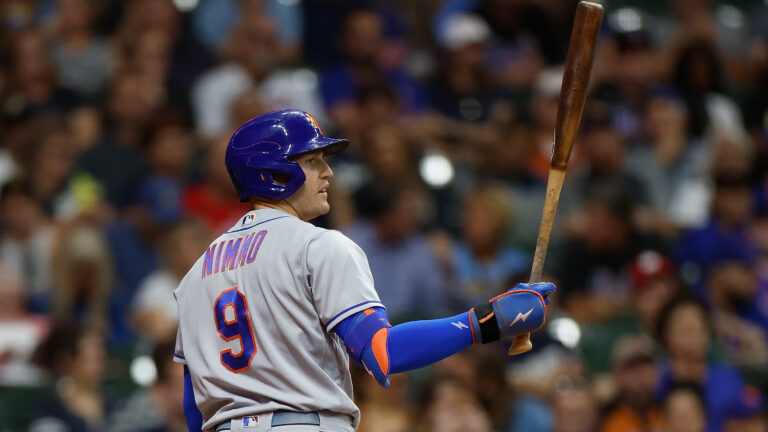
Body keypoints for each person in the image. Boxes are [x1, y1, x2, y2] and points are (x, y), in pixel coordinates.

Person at [173, 110, 555, 432]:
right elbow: (382, 354)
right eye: (312, 161)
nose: (328, 173)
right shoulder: (317, 246)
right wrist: (487, 322)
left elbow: (194, 407)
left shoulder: (195, 275)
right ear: (274, 172)